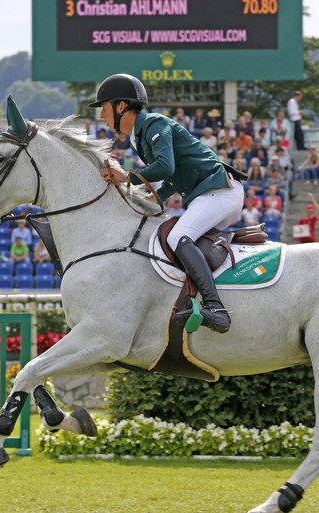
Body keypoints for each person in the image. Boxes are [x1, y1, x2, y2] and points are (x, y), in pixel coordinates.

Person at [93, 74, 245, 333]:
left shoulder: (153, 123)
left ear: (121, 106)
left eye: (104, 108)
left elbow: (166, 166)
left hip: (219, 191)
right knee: (179, 242)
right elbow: (174, 176)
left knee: (178, 237)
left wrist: (126, 177)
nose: (101, 116)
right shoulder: (138, 137)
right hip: (208, 193)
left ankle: (216, 307)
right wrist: (158, 197)